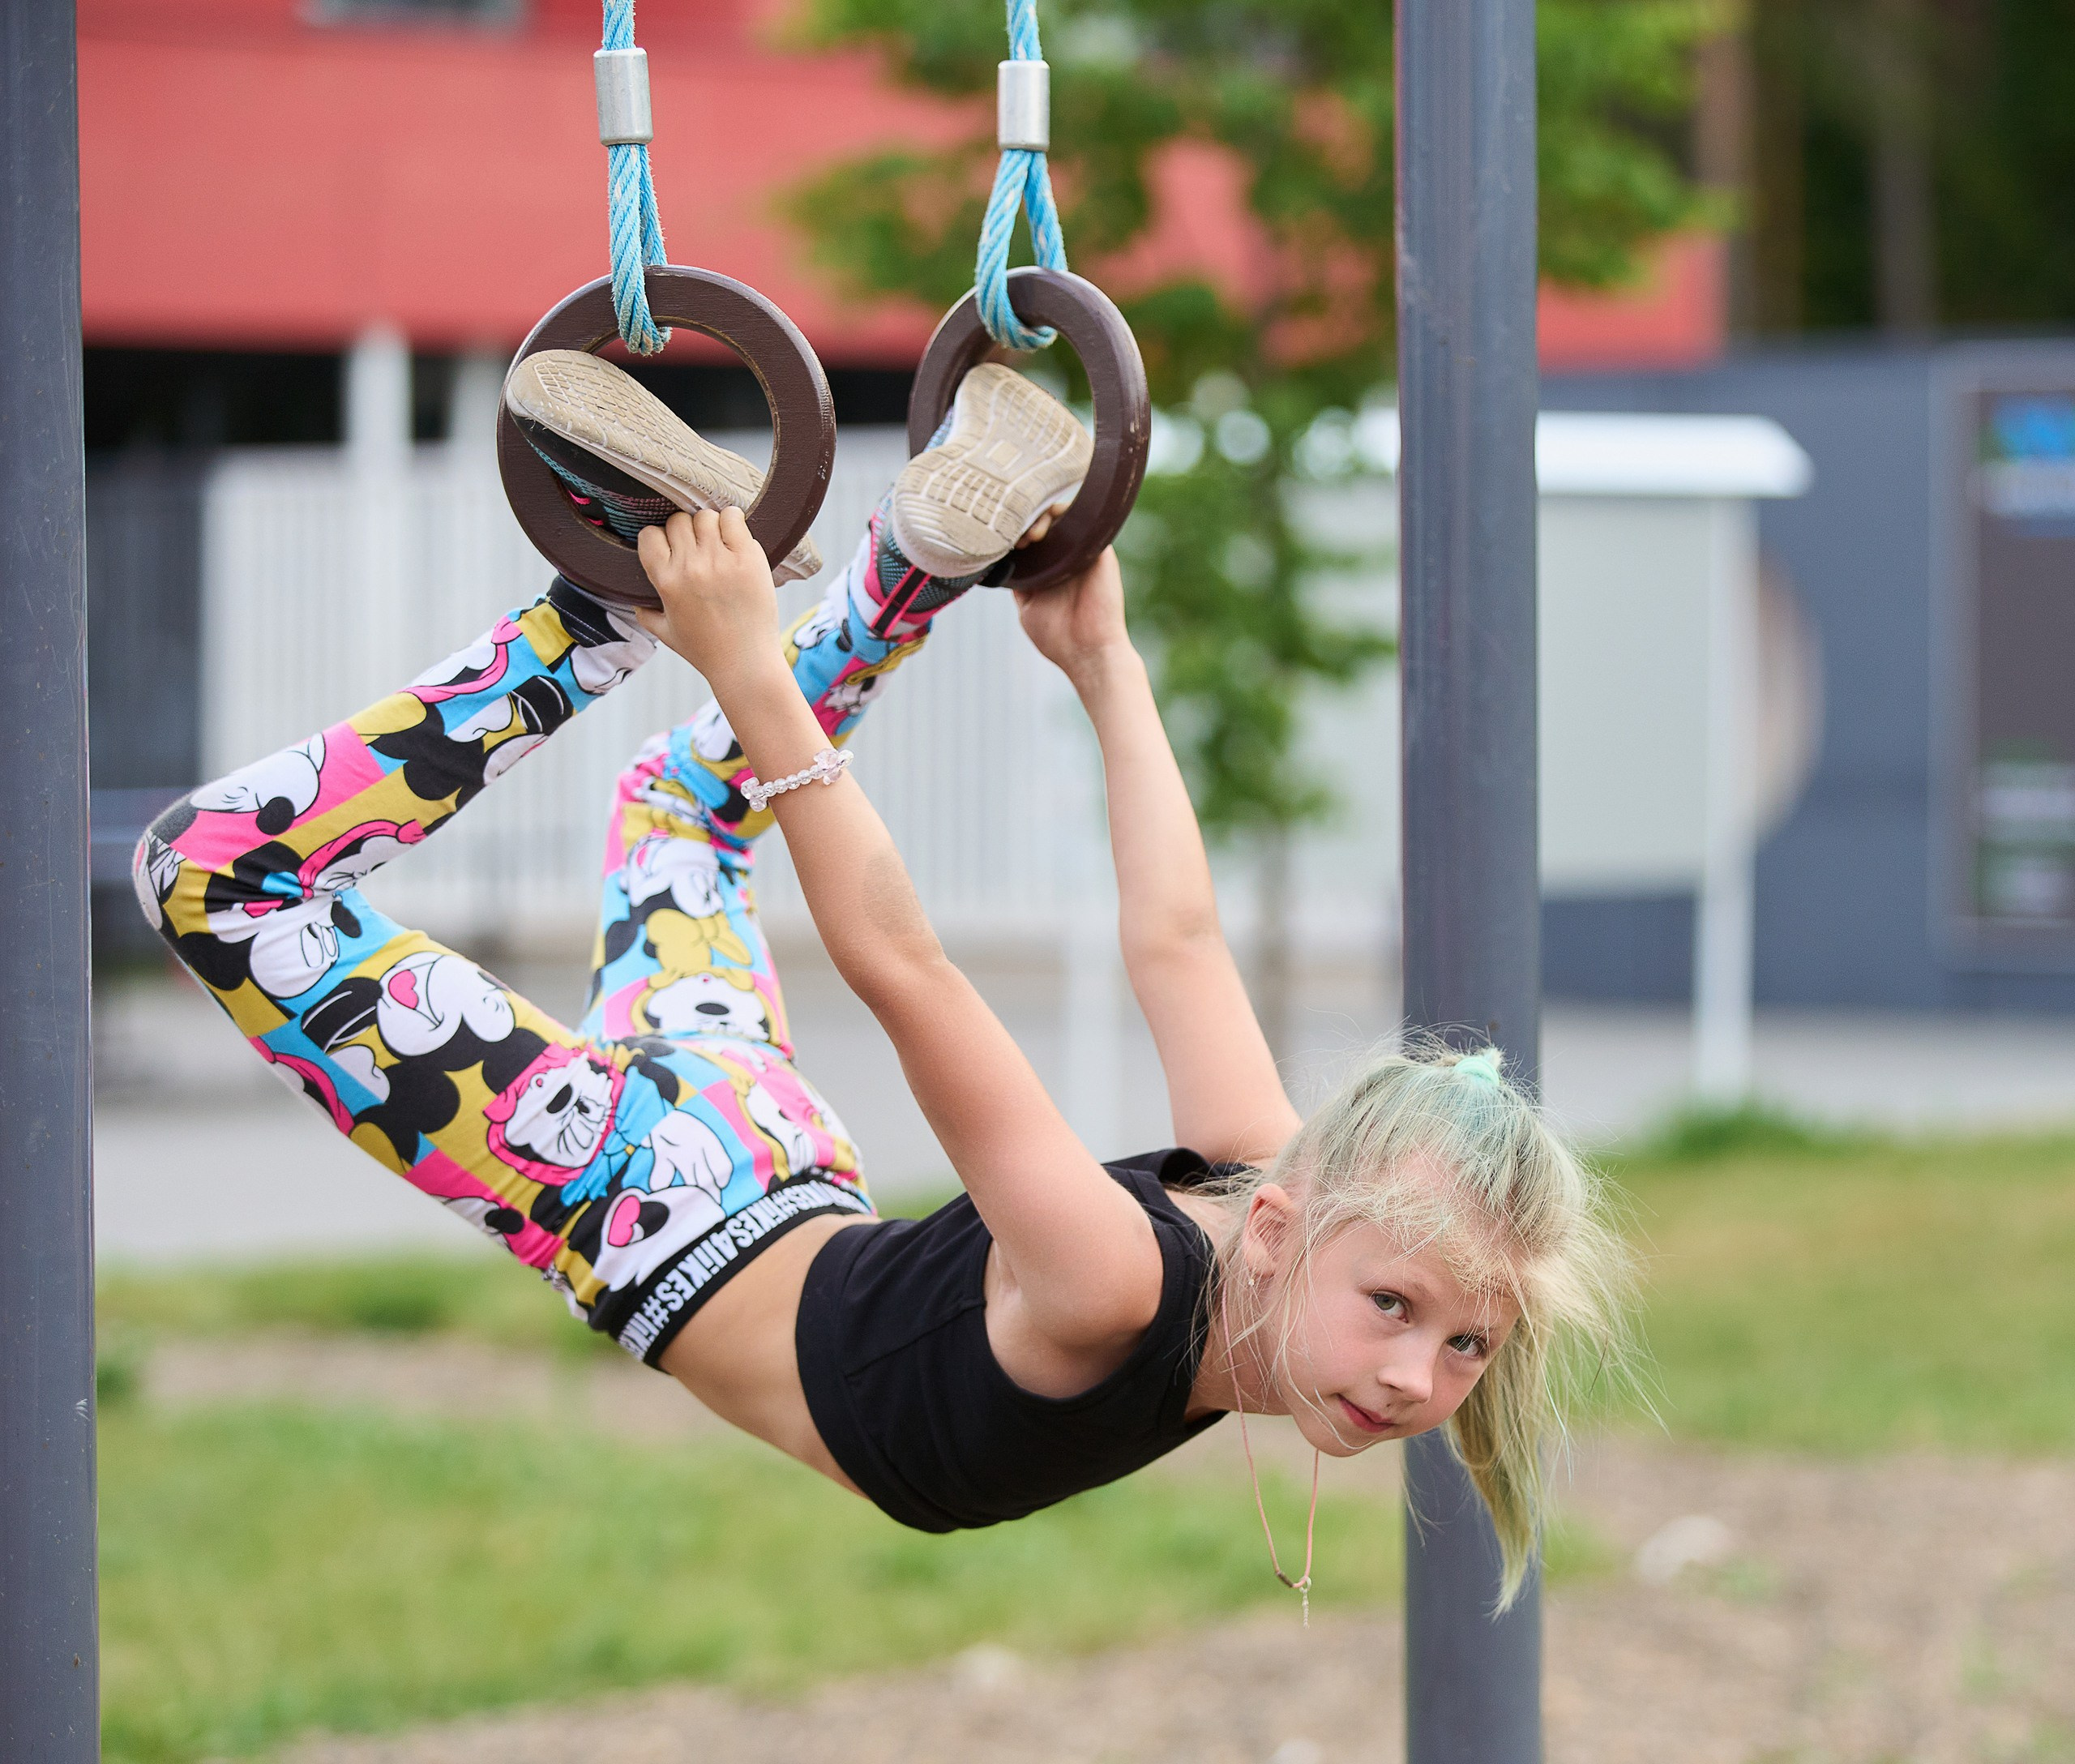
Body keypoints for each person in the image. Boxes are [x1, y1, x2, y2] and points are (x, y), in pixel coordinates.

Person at [137, 353, 1631, 1608]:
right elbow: (911, 973)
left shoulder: (1268, 1192)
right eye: (1395, 1304)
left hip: (753, 1162)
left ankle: (907, 571)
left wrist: (1106, 674)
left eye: (1465, 1344)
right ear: (1294, 1223)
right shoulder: (1121, 1278)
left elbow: (1177, 937)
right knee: (214, 876)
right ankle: (608, 617)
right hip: (644, 1197)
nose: (1417, 1378)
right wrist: (792, 669)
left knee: (681, 809)